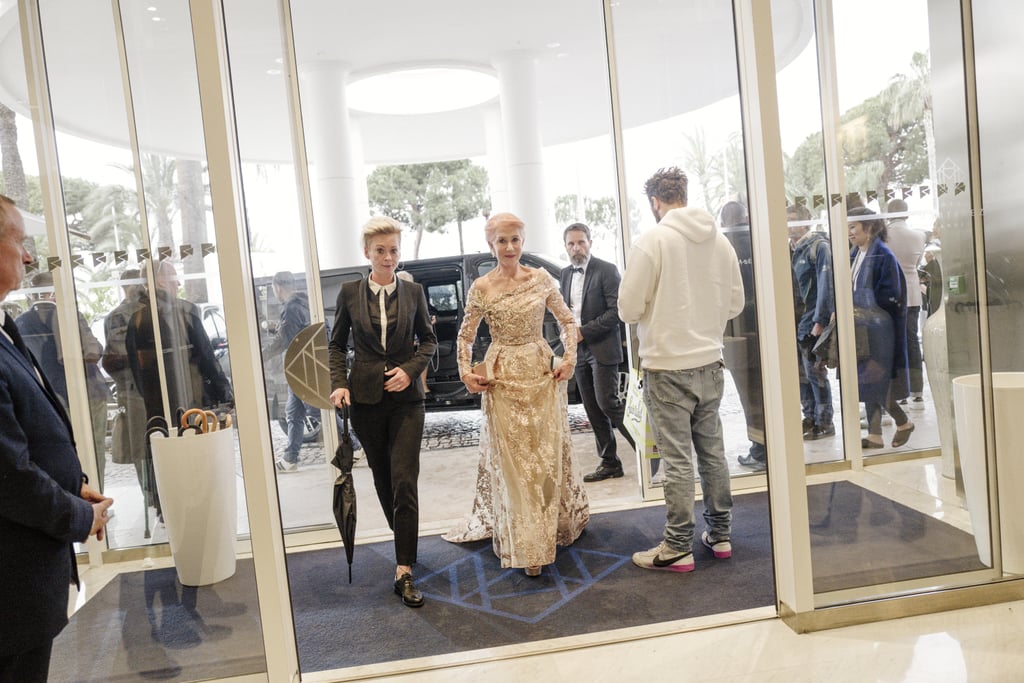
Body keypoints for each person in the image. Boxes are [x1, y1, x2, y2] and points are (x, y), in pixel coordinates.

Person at [0, 194, 112, 682]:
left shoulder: (6, 327)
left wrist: (73, 484)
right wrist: (77, 515)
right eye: (19, 241)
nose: (27, 256)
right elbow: (8, 475)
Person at [444, 212, 589, 578]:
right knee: (515, 465)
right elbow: (464, 336)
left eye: (515, 240)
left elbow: (568, 320)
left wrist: (569, 358)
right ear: (491, 244)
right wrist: (465, 371)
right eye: (501, 240)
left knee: (544, 457)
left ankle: (548, 526)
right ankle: (528, 544)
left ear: (523, 242)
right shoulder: (481, 287)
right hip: (503, 379)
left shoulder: (540, 279)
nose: (509, 247)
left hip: (541, 374)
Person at [619, 167, 743, 572]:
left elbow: (627, 309)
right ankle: (720, 534)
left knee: (676, 460)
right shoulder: (719, 242)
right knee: (712, 454)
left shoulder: (652, 242)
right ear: (683, 195)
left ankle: (677, 547)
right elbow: (735, 304)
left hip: (667, 367)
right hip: (710, 362)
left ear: (655, 202)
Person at [328, 216, 437, 608]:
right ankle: (403, 535)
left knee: (405, 479)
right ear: (367, 253)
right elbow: (336, 345)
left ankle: (404, 569)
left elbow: (428, 341)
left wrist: (410, 372)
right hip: (367, 402)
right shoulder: (349, 293)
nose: (388, 257)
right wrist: (339, 383)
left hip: (408, 402)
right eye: (380, 251)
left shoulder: (414, 293)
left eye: (393, 250)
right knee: (383, 479)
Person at [16, 270, 111, 490]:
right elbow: (93, 350)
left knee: (61, 453)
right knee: (94, 451)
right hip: (86, 392)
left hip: (48, 398)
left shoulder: (21, 323)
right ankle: (95, 496)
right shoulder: (70, 315)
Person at [559, 222, 636, 482]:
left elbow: (617, 312)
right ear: (566, 247)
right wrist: (569, 334)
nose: (576, 247)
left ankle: (649, 451)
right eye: (571, 243)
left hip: (602, 347)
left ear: (590, 243)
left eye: (581, 242)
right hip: (579, 351)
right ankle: (610, 462)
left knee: (608, 403)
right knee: (591, 408)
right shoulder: (566, 274)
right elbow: (567, 311)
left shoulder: (607, 270)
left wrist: (584, 331)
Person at [126, 259, 233, 422]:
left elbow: (136, 371)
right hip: (191, 398)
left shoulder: (136, 318)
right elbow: (206, 356)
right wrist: (225, 391)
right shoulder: (186, 311)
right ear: (161, 282)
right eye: (174, 277)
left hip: (156, 406)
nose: (178, 284)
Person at [848, 206, 914, 449]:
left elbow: (891, 296)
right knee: (866, 379)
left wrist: (864, 310)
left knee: (874, 379)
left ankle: (903, 421)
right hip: (863, 326)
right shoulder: (858, 253)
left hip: (878, 329)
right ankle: (875, 435)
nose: (850, 233)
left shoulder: (882, 255)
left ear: (870, 227)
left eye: (853, 226)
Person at [717, 201, 768, 470]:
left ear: (724, 220)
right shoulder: (760, 240)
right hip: (766, 329)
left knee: (749, 393)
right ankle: (767, 445)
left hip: (737, 330)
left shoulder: (724, 245)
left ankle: (760, 450)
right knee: (766, 389)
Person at [787, 203, 836, 443]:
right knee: (800, 374)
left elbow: (826, 286)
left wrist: (820, 322)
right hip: (794, 322)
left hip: (811, 322)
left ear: (806, 222)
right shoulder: (789, 249)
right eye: (787, 221)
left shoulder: (818, 247)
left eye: (794, 221)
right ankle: (809, 417)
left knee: (815, 372)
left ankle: (824, 421)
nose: (790, 226)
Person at [102, 269, 151, 502]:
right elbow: (110, 359)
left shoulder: (153, 309)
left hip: (147, 388)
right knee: (140, 448)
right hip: (131, 391)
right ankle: (150, 496)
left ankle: (159, 495)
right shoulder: (115, 318)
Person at [265, 270, 315, 472]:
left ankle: (355, 446)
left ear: (278, 287)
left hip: (299, 367)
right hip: (303, 365)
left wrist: (263, 355)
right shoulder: (302, 303)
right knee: (293, 413)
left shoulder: (291, 307)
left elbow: (286, 340)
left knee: (317, 411)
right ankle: (290, 458)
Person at [885, 199, 926, 405]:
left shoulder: (883, 236)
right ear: (907, 214)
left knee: (895, 342)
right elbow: (917, 264)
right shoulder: (919, 236)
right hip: (913, 291)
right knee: (911, 340)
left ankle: (901, 389)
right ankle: (917, 389)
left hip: (892, 293)